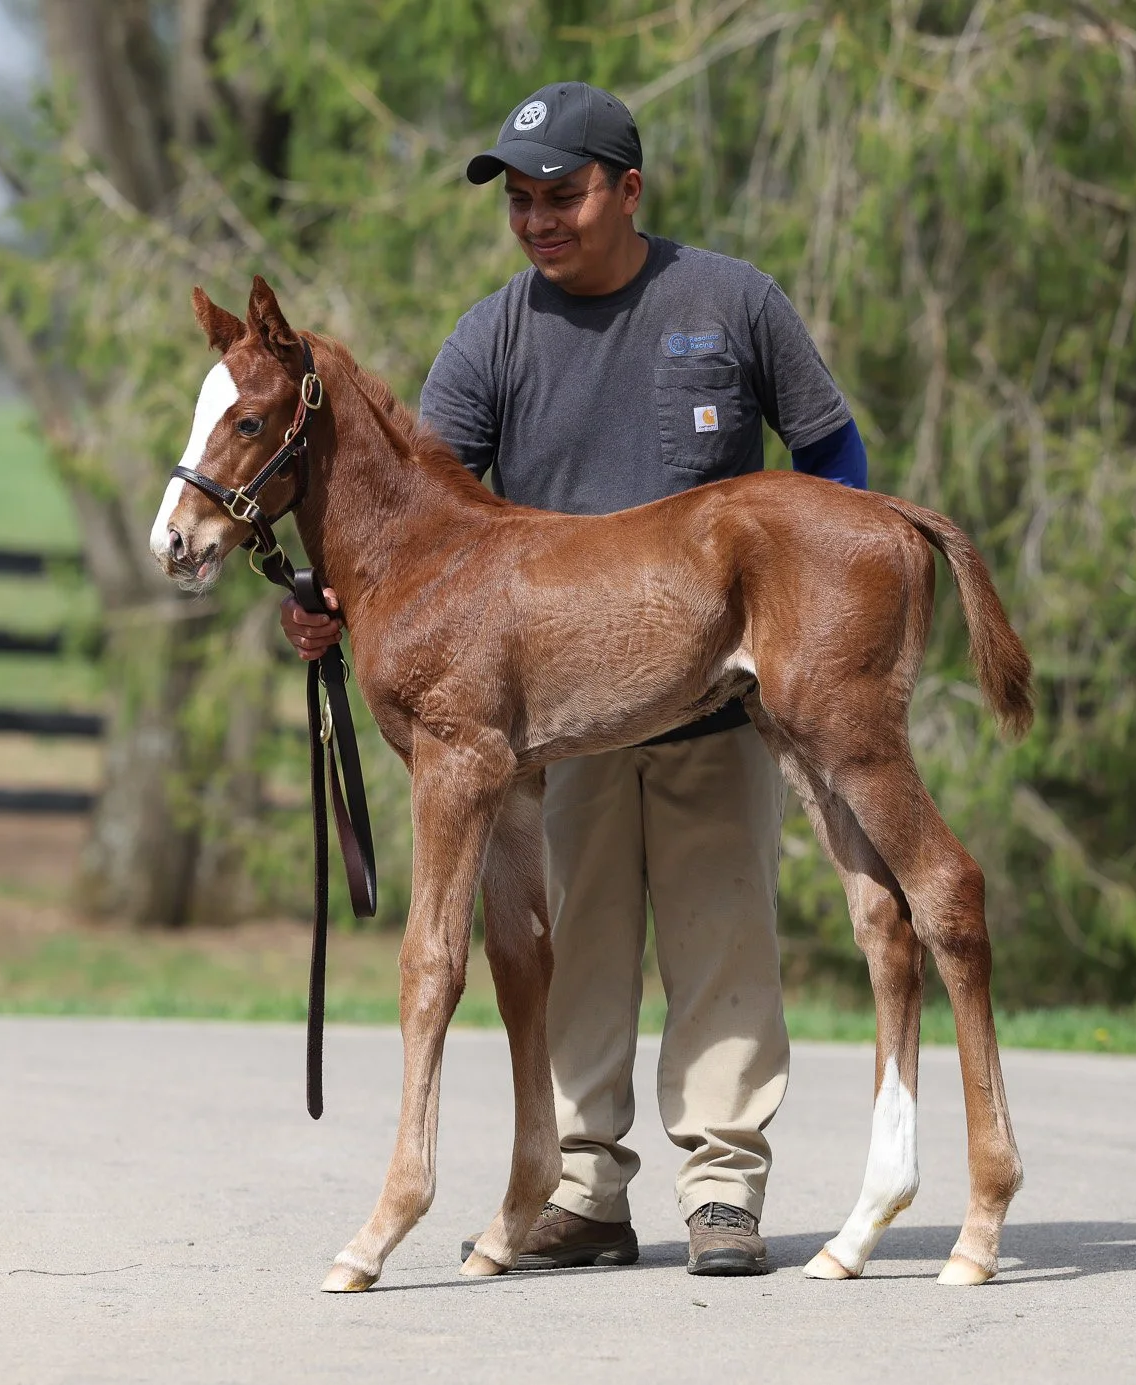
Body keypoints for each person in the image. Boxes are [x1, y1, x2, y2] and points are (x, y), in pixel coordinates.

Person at [280, 81, 868, 1277]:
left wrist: (824, 612)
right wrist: (322, 600)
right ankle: (584, 1188)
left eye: (561, 194)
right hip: (564, 707)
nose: (538, 220)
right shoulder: (493, 334)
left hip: (716, 691)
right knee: (574, 943)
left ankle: (721, 1186)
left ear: (627, 188)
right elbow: (418, 522)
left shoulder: (728, 300)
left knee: (721, 933)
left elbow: (831, 456)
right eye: (520, 200)